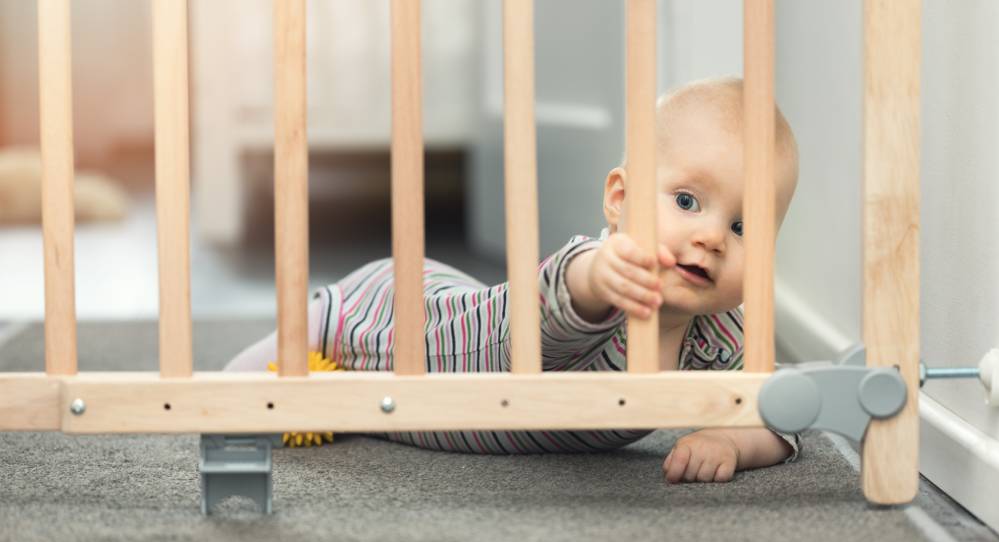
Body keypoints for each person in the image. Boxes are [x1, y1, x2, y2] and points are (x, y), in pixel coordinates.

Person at [226, 76, 801, 484]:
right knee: (266, 374)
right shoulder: (597, 274)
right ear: (619, 200)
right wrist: (599, 276)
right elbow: (554, 311)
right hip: (400, 314)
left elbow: (780, 418)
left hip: (439, 388)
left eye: (743, 224)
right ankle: (218, 387)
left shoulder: (720, 336)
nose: (712, 238)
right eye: (686, 200)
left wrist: (731, 441)